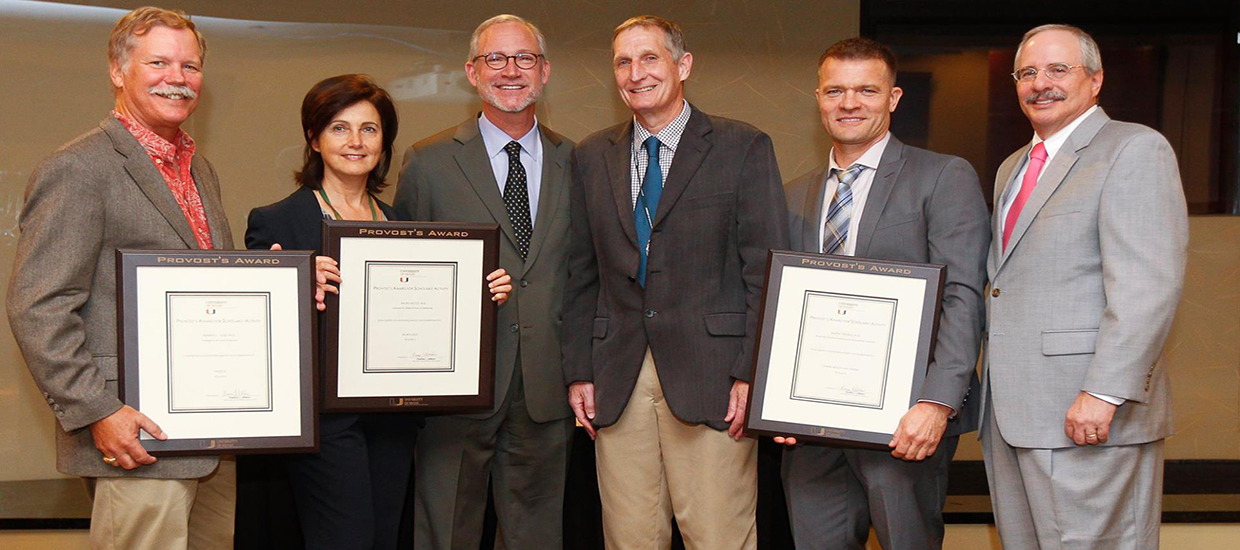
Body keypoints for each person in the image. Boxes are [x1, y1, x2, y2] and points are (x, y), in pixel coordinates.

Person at [244, 74, 511, 550]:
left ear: (385, 141)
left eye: (369, 129)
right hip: (323, 424)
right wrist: (292, 280)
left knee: (385, 537)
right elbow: (260, 327)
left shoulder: (400, 224)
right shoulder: (278, 220)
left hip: (393, 417)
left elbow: (426, 308)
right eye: (339, 128)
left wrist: (480, 290)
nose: (355, 142)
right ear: (314, 137)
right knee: (345, 539)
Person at [6, 7, 236, 549]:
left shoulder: (199, 169)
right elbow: (38, 304)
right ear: (118, 70)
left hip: (215, 434)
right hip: (138, 435)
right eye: (158, 62)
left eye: (190, 65)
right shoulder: (79, 167)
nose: (177, 78)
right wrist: (97, 411)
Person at [561, 15, 788, 550]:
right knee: (630, 537)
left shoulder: (742, 146)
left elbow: (765, 270)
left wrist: (752, 371)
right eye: (623, 61)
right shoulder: (592, 155)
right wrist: (578, 370)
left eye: (649, 58)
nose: (635, 73)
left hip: (714, 377)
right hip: (616, 377)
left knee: (718, 535)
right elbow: (580, 272)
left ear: (682, 65)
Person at [775, 38, 990, 550]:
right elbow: (780, 306)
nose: (849, 103)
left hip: (905, 424)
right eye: (835, 91)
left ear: (893, 98)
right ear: (819, 98)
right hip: (811, 433)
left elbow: (963, 295)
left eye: (866, 90)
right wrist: (776, 402)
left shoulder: (942, 177)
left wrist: (937, 403)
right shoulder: (792, 193)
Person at [983, 24, 1187, 549]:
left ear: (1095, 80)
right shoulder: (1013, 167)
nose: (1039, 83)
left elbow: (1147, 286)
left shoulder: (1134, 149)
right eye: (1027, 72)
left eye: (1058, 69)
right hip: (1013, 417)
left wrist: (1102, 392)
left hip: (1090, 415)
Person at [393, 14, 575, 550]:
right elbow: (403, 277)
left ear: (544, 72)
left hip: (547, 386)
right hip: (455, 386)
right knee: (446, 531)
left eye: (524, 59)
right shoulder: (428, 162)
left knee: (537, 536)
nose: (510, 71)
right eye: (496, 59)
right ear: (472, 72)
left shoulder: (579, 161)